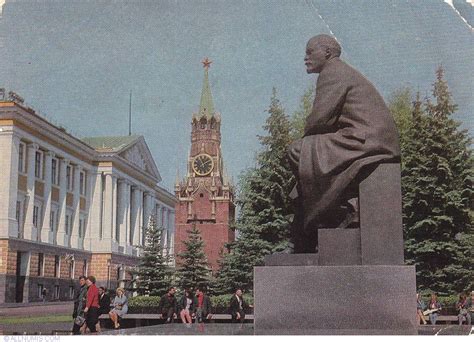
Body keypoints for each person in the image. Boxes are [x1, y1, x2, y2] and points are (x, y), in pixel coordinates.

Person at [287, 34, 400, 253]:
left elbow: (319, 119)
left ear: (327, 53)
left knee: (297, 151)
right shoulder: (340, 71)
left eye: (310, 52)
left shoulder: (333, 72)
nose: (305, 58)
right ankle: (334, 206)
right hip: (367, 138)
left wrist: (307, 142)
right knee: (307, 159)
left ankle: (331, 210)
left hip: (365, 141)